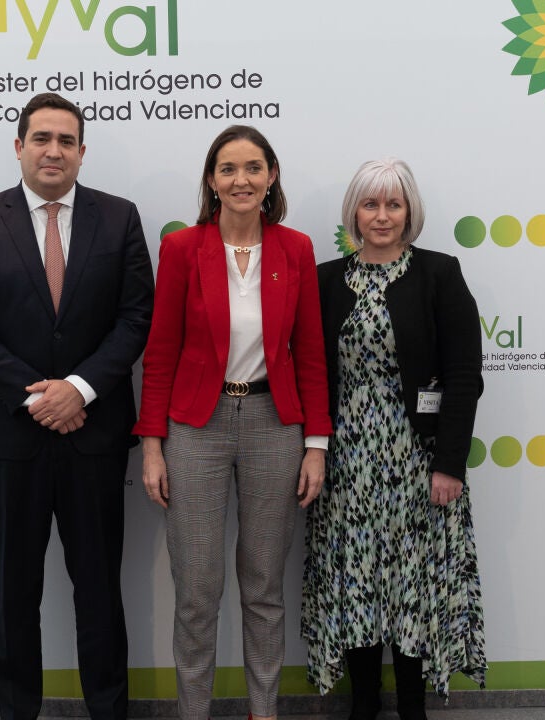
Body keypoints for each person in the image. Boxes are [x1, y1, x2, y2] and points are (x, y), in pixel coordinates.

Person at [0, 92, 154, 720]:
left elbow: (135, 318)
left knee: (99, 588)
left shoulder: (119, 218)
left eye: (66, 140)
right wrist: (39, 396)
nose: (53, 150)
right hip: (8, 437)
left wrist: (79, 389)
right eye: (41, 138)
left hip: (93, 433)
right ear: (19, 147)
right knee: (13, 592)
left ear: (82, 152)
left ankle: (109, 711)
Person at [133, 125, 331, 720]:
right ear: (211, 180)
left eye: (252, 167)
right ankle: (193, 712)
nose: (241, 180)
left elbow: (311, 353)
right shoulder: (181, 249)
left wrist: (316, 444)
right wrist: (152, 446)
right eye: (228, 169)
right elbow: (160, 353)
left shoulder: (296, 248)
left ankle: (262, 712)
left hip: (276, 426)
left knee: (264, 586)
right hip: (197, 428)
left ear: (271, 176)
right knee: (197, 589)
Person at [302, 158, 487, 720]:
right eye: (370, 204)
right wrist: (313, 450)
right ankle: (362, 703)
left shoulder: (439, 273)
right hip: (345, 457)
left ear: (410, 212)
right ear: (353, 213)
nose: (381, 216)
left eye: (393, 204)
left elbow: (464, 375)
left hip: (417, 457)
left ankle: (412, 706)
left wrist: (449, 464)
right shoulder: (324, 280)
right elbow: (309, 371)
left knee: (412, 580)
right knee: (354, 576)